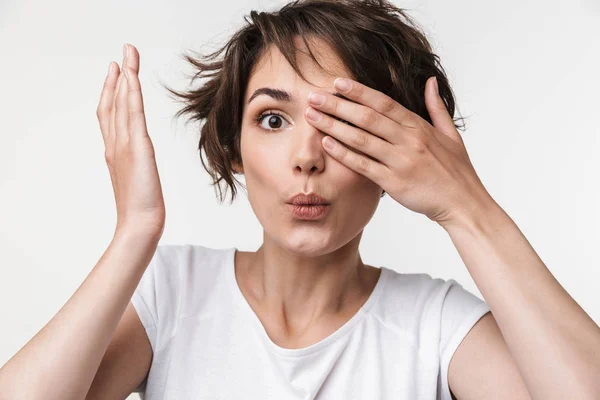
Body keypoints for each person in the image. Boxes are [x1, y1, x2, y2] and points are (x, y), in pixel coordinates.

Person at [0, 1, 500, 399]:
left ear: (391, 154)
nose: (306, 158)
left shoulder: (436, 324)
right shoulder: (172, 293)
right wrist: (136, 230)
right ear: (233, 146)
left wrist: (466, 207)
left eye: (343, 123)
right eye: (273, 119)